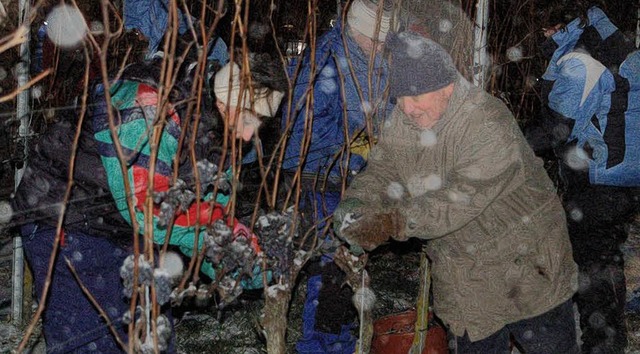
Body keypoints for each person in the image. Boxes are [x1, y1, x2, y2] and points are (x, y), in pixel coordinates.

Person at [10, 40, 284, 352]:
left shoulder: (220, 136)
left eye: (258, 124)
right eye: (248, 119)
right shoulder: (149, 103)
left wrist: (236, 262)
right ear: (226, 101)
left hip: (124, 229)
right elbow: (148, 206)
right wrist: (219, 233)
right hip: (66, 218)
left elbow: (214, 212)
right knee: (92, 339)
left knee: (152, 337)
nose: (249, 135)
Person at [333, 32, 580, 353]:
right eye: (400, 98)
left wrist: (386, 223)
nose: (407, 108)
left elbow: (452, 204)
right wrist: (359, 201)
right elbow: (384, 170)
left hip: (527, 272)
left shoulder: (487, 123)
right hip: (466, 279)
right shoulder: (406, 120)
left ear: (446, 88)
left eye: (416, 97)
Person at [280, 0, 394, 351]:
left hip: (352, 178)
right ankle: (319, 345)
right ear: (355, 30)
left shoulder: (372, 60)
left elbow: (384, 108)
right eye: (375, 42)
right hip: (319, 177)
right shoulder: (322, 63)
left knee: (352, 262)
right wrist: (357, 143)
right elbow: (302, 133)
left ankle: (340, 340)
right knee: (331, 267)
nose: (379, 49)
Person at [526, 2, 640, 352]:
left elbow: (556, 128)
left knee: (592, 271)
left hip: (599, 179)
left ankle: (602, 345)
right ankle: (610, 337)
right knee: (606, 260)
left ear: (558, 23)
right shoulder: (611, 41)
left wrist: (506, 140)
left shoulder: (580, 61)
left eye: (544, 28)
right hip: (624, 175)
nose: (541, 35)